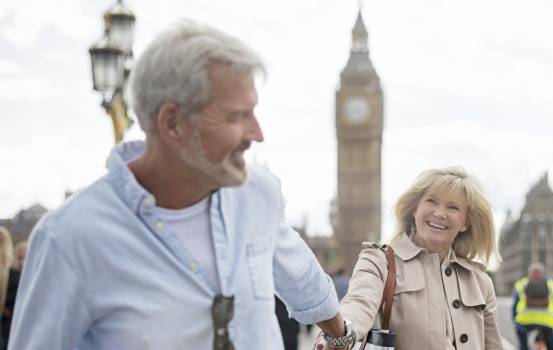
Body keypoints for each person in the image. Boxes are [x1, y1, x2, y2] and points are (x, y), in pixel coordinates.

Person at [9, 20, 355, 349]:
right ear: (172, 122)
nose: (257, 134)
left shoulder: (257, 193)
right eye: (237, 116)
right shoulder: (68, 239)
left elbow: (303, 279)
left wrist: (340, 336)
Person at [317, 166, 502, 349]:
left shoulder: (480, 282)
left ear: (465, 223)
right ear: (414, 209)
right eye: (432, 201)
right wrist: (339, 333)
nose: (440, 213)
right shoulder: (379, 261)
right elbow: (358, 304)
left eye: (453, 207)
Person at [512, 262, 553, 350]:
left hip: (524, 320)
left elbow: (514, 305)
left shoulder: (521, 283)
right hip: (547, 321)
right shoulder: (551, 284)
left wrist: (514, 320)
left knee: (523, 344)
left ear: (529, 273)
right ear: (543, 273)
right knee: (551, 345)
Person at [2, 241, 25, 348]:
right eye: (19, 258)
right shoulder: (15, 279)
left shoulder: (16, 279)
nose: (22, 262)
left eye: (24, 258)